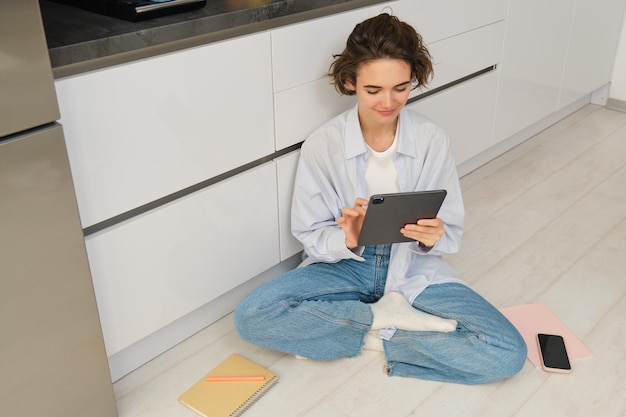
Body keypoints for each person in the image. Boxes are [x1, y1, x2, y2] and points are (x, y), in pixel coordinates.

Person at [234, 12, 526, 384]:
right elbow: (310, 234)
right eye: (373, 90)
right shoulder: (324, 145)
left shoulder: (432, 139)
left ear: (413, 81)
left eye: (400, 88)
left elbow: (449, 227)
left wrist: (434, 235)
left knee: (506, 353)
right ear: (350, 82)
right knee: (253, 315)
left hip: (413, 268)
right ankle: (380, 321)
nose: (388, 102)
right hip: (347, 265)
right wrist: (350, 237)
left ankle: (360, 335)